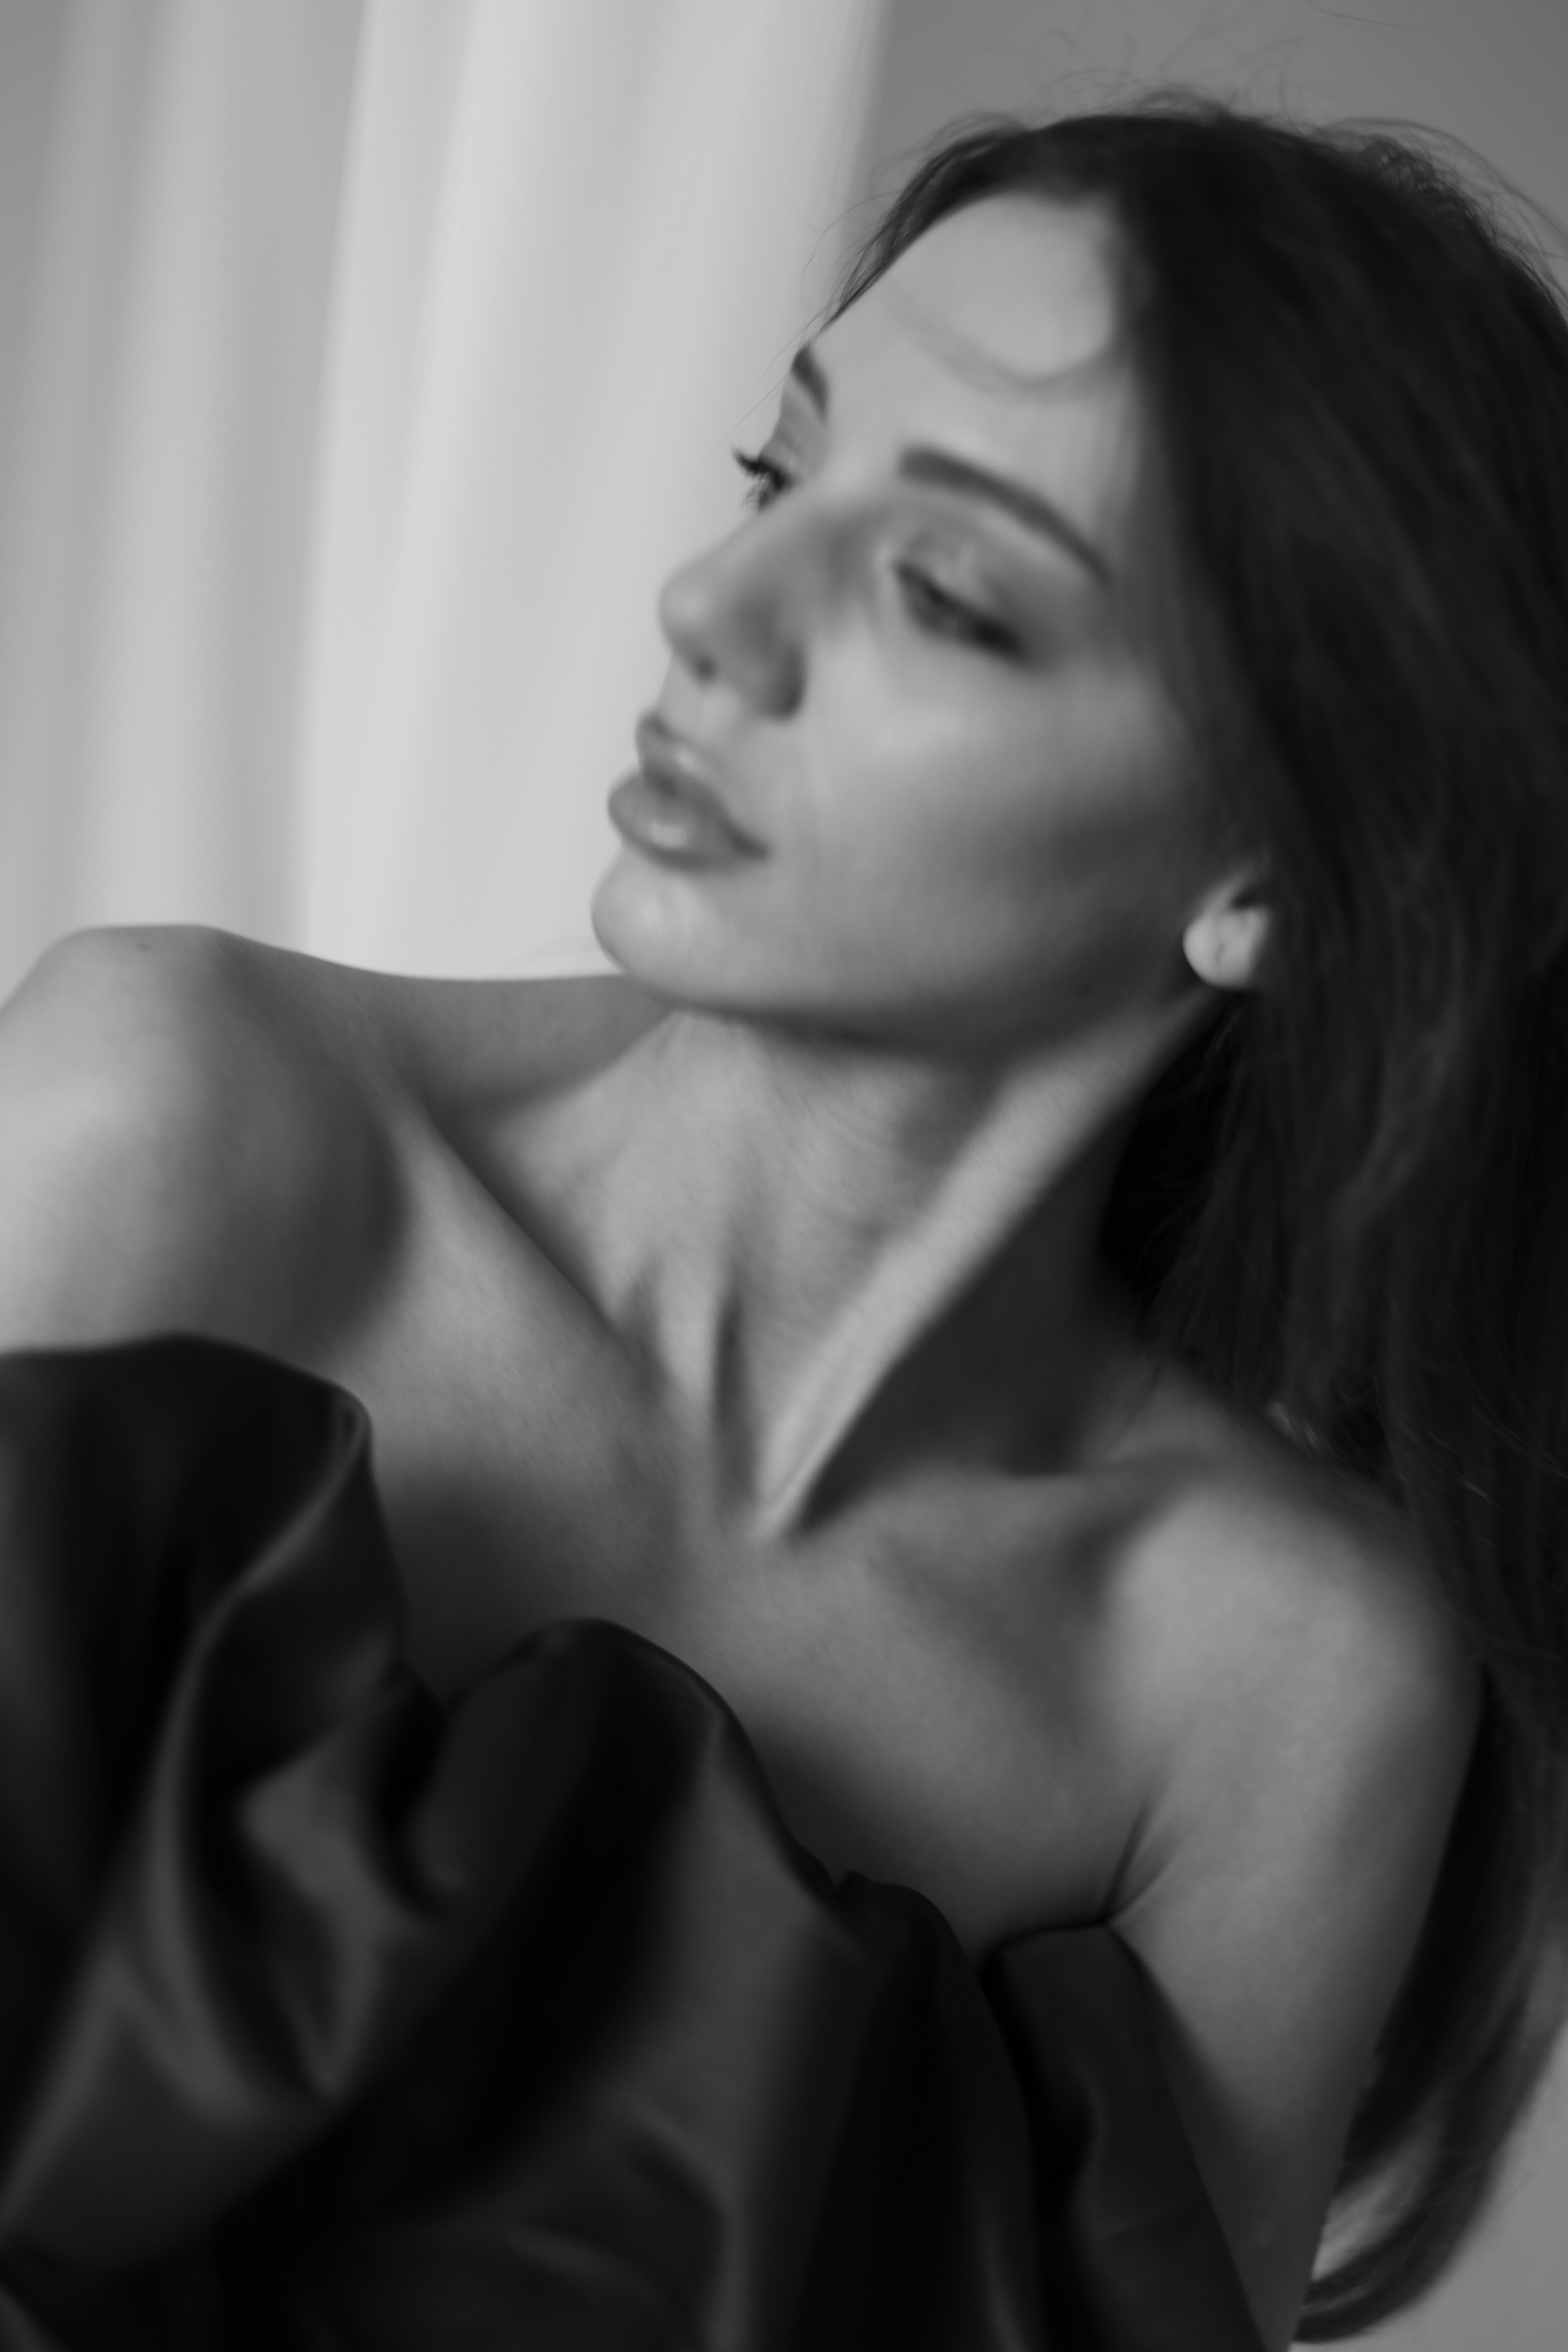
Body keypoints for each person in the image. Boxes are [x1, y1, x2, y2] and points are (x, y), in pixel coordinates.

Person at [0, 94, 1564, 2351]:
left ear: (1273, 881)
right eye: (775, 473)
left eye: (941, 591)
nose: (711, 612)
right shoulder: (170, 1130)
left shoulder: (1274, 1683)